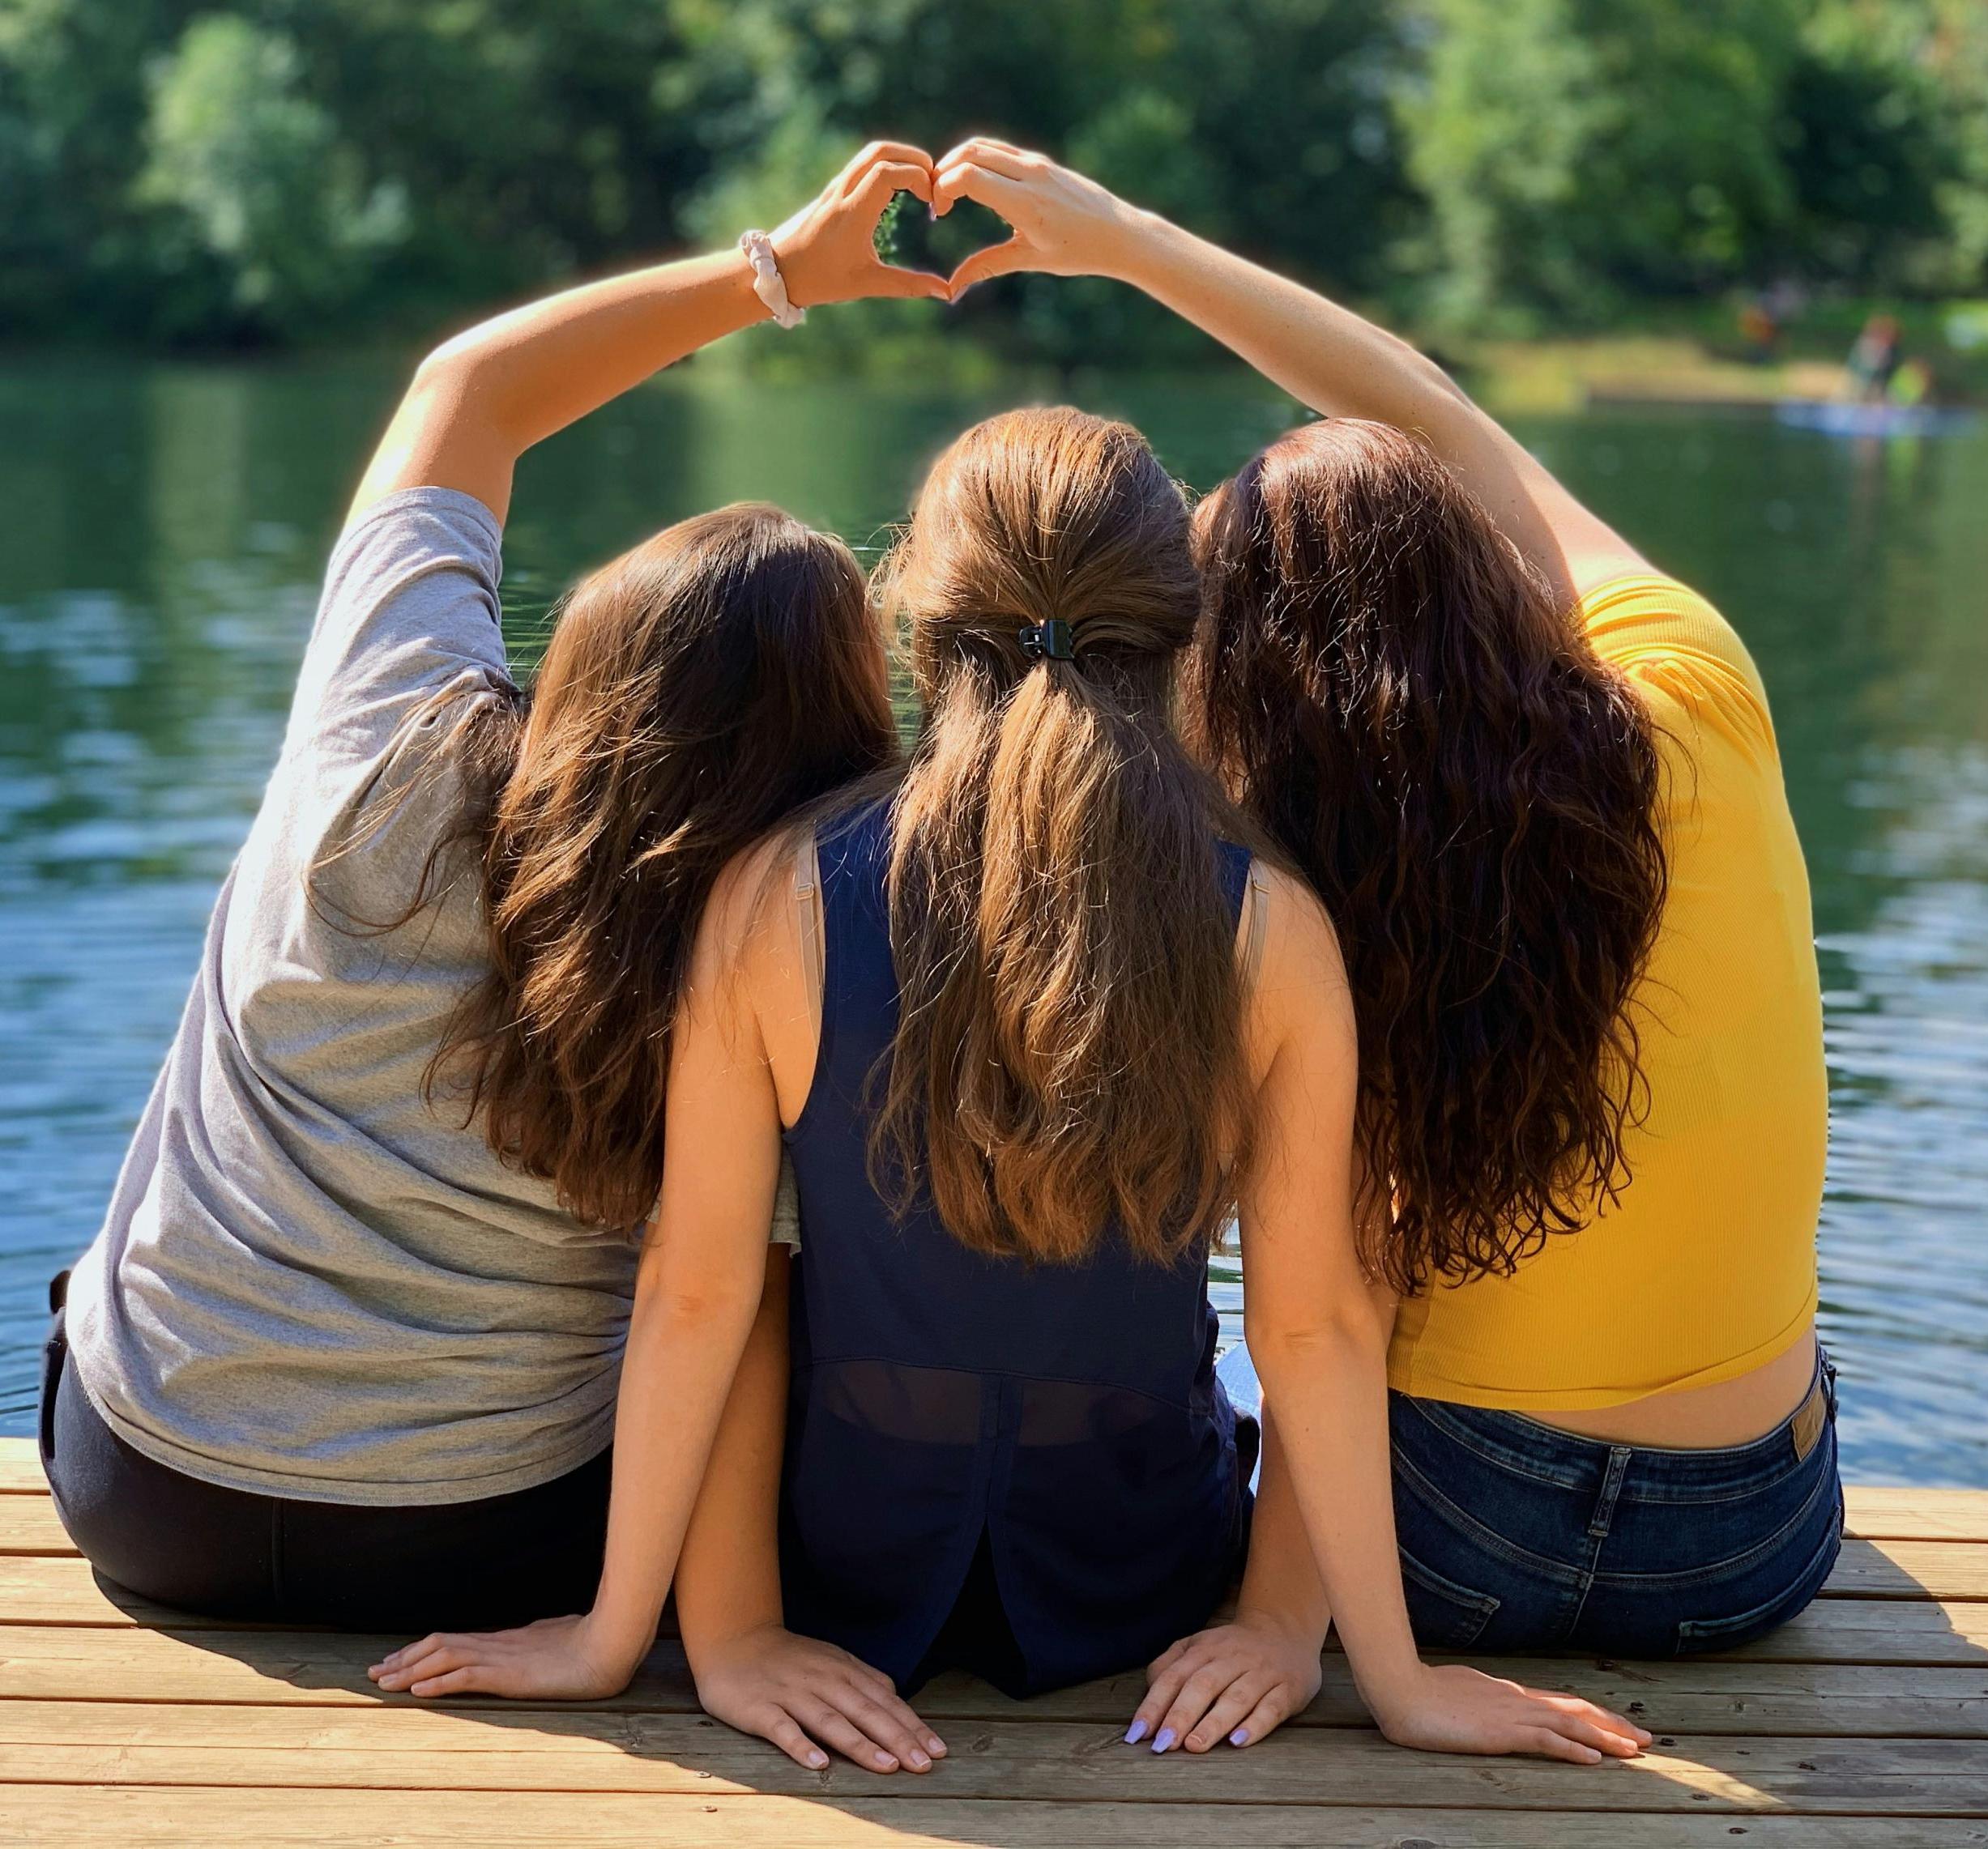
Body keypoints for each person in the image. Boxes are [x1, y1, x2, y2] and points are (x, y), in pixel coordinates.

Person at [368, 402, 1649, 1774]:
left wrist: (636, 1636)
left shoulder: (771, 895)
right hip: (1137, 1576)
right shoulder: (1273, 923)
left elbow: (697, 1286)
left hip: (838, 1572)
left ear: (922, 620)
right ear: (1179, 631)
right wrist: (1358, 1665)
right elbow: (1315, 1327)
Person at [928, 139, 1837, 1740]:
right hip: (1747, 1550)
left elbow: (1322, 1304)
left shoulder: (1305, 900)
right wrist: (1130, 239)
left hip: (1440, 1551)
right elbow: (1433, 409)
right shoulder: (1693, 683)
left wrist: (1287, 1617)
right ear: (1483, 589)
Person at [40, 142, 945, 1641]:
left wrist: (773, 271)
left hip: (149, 1498)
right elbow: (728, 1309)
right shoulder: (785, 933)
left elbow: (466, 390)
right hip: (491, 1545)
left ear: (587, 651)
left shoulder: (379, 738)